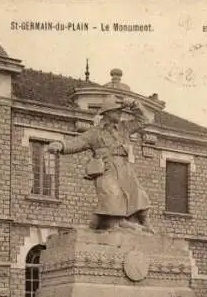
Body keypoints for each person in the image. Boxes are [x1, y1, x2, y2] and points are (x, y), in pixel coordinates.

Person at [48, 95, 154, 233]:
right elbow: (77, 143)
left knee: (139, 194)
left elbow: (146, 120)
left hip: (125, 168)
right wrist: (61, 145)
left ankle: (144, 222)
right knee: (112, 195)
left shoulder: (124, 128)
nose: (120, 113)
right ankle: (117, 224)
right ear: (108, 113)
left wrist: (135, 104)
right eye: (117, 111)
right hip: (106, 170)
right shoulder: (94, 133)